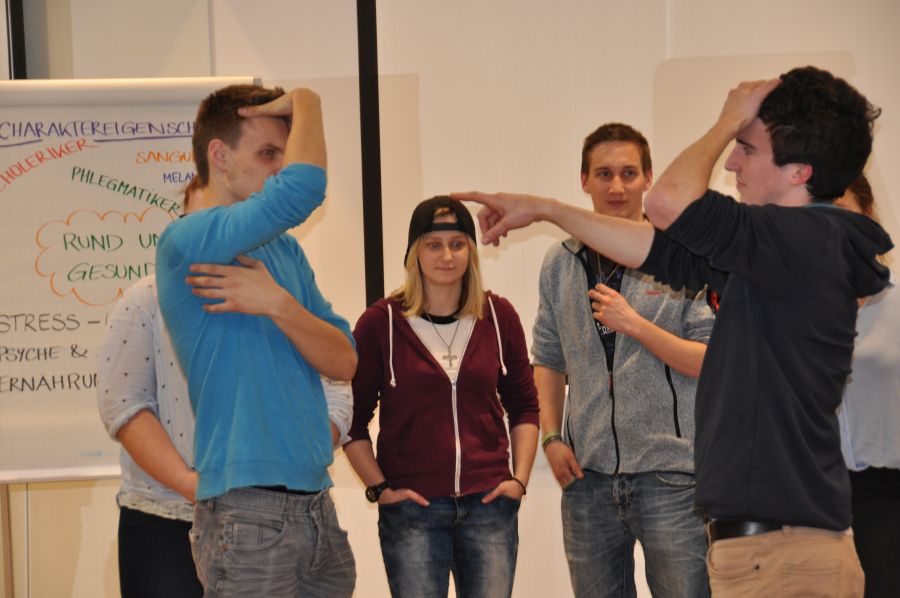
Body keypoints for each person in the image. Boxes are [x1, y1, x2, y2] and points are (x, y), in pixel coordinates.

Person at [454, 66, 891, 597]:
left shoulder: (806, 239)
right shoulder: (778, 252)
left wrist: (728, 118)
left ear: (799, 171)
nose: (730, 162)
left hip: (783, 552)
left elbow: (666, 203)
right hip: (769, 549)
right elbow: (656, 248)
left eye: (746, 148)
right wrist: (546, 210)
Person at [98, 180, 354, 598]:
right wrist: (194, 484)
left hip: (283, 510)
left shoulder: (278, 286)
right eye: (205, 220)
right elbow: (124, 405)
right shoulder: (144, 298)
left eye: (233, 219)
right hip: (165, 514)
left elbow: (337, 384)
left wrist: (288, 463)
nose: (221, 232)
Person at [155, 85, 357, 597]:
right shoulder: (189, 239)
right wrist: (307, 100)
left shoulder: (285, 252)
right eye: (268, 153)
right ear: (219, 156)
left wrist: (278, 304)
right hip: (246, 510)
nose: (280, 168)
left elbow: (344, 359)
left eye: (284, 154)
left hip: (316, 501)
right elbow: (303, 188)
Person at [534, 122, 713, 598]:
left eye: (629, 173)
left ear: (648, 178)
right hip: (587, 481)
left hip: (671, 478)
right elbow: (547, 357)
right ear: (584, 181)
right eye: (604, 174)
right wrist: (551, 437)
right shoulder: (559, 262)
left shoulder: (680, 258)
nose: (616, 186)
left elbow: (709, 360)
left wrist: (635, 325)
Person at [344, 196, 540, 598]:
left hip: (489, 506)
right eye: (433, 244)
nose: (447, 256)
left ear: (471, 251)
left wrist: (518, 480)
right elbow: (352, 420)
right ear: (414, 253)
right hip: (413, 511)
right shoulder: (380, 323)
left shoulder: (498, 316)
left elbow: (524, 407)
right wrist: (380, 490)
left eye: (457, 243)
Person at [833, 174, 900, 598]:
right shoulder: (792, 310)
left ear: (868, 215)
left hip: (887, 497)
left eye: (840, 212)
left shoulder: (895, 304)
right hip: (814, 499)